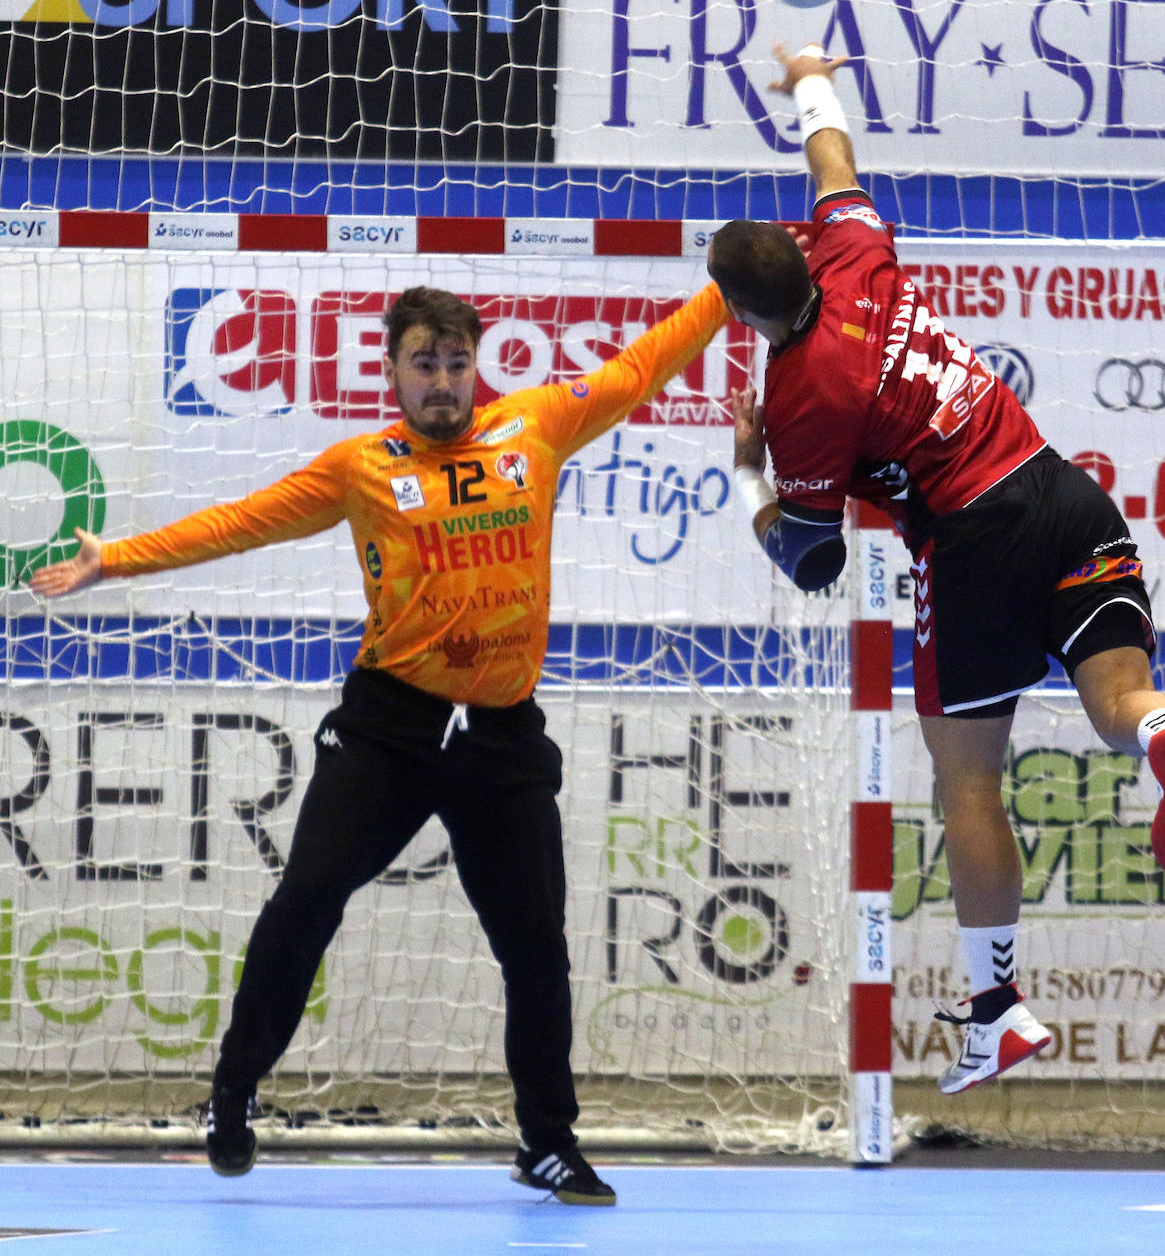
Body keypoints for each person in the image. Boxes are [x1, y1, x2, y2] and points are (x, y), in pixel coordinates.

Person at [31, 278, 728, 1200]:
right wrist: (114, 560)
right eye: (423, 365)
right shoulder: (362, 467)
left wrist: (730, 287)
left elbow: (641, 367)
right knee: (308, 896)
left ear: (477, 369)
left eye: (455, 364)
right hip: (389, 728)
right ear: (392, 371)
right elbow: (243, 523)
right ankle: (233, 1089)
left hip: (501, 737)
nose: (441, 381)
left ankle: (547, 1142)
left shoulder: (537, 427)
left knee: (535, 947)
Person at [706, 42, 1165, 1095]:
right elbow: (832, 161)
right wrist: (807, 75)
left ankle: (999, 1011)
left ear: (742, 314)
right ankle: (1160, 733)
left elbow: (810, 559)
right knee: (1117, 695)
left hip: (971, 543)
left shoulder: (798, 401)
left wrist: (748, 474)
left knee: (969, 779)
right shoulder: (852, 252)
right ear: (803, 253)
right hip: (1062, 489)